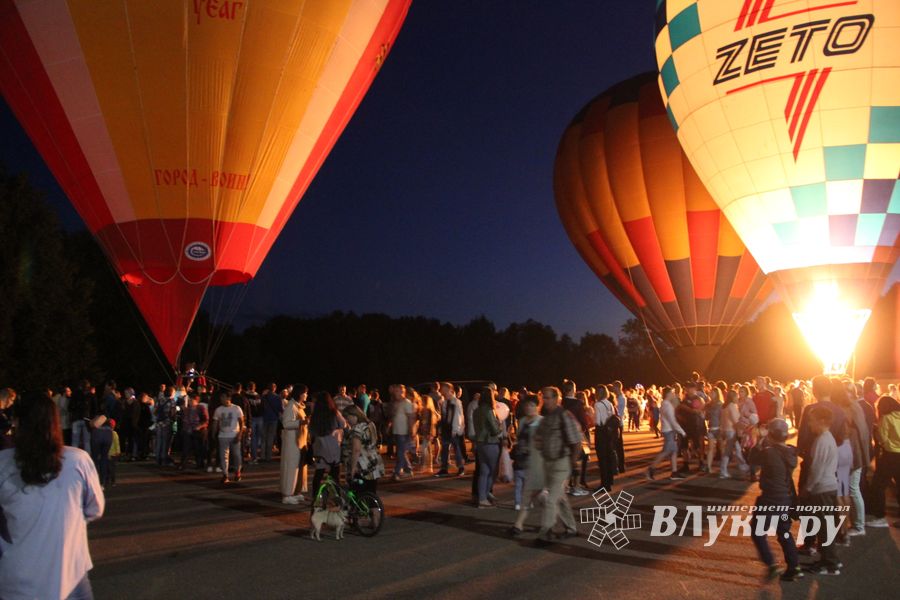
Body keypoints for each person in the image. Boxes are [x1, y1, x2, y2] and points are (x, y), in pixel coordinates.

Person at [0, 393, 105, 599]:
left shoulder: (2, 463)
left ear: (16, 422)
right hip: (70, 576)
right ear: (55, 423)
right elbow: (95, 509)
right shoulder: (78, 461)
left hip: (16, 579)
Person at [748, 419, 803, 582]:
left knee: (757, 532)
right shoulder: (791, 451)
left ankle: (771, 564)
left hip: (770, 499)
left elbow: (752, 459)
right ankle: (794, 567)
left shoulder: (769, 452)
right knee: (784, 532)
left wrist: (759, 440)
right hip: (785, 498)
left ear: (771, 434)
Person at [532, 386, 580, 545]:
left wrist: (571, 465)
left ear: (556, 398)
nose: (544, 401)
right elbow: (538, 439)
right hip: (548, 463)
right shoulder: (545, 418)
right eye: (543, 398)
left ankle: (545, 533)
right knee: (559, 497)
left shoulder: (565, 416)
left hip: (561, 463)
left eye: (547, 397)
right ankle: (571, 528)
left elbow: (576, 442)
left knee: (551, 499)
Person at [801, 405, 841, 575]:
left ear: (822, 421)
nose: (809, 424)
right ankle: (828, 560)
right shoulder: (827, 438)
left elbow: (817, 469)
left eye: (812, 420)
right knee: (826, 527)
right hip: (830, 486)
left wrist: (807, 488)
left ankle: (830, 564)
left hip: (822, 489)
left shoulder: (822, 440)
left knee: (824, 528)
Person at [865, 395, 900, 528]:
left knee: (878, 486)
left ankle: (880, 517)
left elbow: (882, 438)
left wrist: (876, 430)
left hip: (889, 456)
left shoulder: (886, 418)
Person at [342, 405, 384, 494]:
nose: (347, 420)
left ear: (354, 416)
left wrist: (353, 468)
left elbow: (356, 449)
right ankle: (375, 507)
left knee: (358, 493)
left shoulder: (357, 429)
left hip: (363, 464)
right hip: (374, 460)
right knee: (372, 492)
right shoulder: (370, 424)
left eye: (347, 417)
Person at [309, 391, 345, 495]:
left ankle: (315, 497)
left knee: (318, 473)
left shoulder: (315, 415)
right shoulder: (334, 412)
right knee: (335, 474)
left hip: (319, 446)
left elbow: (311, 431)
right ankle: (337, 497)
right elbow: (343, 424)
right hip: (332, 445)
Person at [647, 387, 686, 480]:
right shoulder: (667, 405)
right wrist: (682, 431)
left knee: (673, 451)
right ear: (668, 394)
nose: (674, 394)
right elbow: (672, 420)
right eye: (672, 392)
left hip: (668, 430)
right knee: (666, 451)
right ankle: (651, 469)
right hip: (669, 431)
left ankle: (674, 472)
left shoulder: (665, 404)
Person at [473, 386, 501, 508]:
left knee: (483, 472)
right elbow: (495, 430)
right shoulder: (489, 410)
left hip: (479, 443)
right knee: (493, 472)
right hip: (490, 442)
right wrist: (499, 426)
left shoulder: (476, 411)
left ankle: (482, 498)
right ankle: (486, 494)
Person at [280, 386, 308, 504]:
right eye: (305, 393)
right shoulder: (291, 406)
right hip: (292, 442)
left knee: (299, 468)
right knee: (291, 468)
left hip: (300, 442)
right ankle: (288, 494)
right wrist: (301, 422)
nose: (306, 395)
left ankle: (296, 491)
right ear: (300, 394)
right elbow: (286, 424)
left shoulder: (299, 406)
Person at [593, 384, 623, 492]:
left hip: (601, 432)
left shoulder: (597, 404)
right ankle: (609, 481)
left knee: (602, 459)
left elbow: (598, 421)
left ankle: (604, 484)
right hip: (610, 433)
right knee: (609, 456)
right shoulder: (609, 403)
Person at [213, 392, 245, 484]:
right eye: (221, 398)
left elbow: (242, 422)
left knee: (236, 455)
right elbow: (215, 422)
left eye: (223, 397)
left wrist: (240, 434)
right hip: (222, 435)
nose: (221, 399)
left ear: (228, 398)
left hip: (234, 434)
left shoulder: (236, 408)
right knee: (223, 456)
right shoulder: (218, 410)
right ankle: (225, 475)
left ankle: (237, 472)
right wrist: (213, 433)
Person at [435, 382, 465, 477]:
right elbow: (444, 416)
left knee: (456, 449)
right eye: (442, 390)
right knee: (444, 449)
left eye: (444, 390)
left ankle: (461, 467)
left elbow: (458, 417)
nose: (442, 392)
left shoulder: (456, 402)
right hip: (446, 429)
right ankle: (444, 468)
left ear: (450, 390)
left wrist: (455, 430)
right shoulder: (444, 402)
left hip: (453, 429)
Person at [388, 385, 416, 481]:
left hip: (404, 432)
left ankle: (397, 472)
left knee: (400, 452)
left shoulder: (407, 403)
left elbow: (411, 417)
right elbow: (394, 416)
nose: (395, 393)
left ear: (402, 392)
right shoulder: (397, 403)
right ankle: (408, 470)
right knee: (401, 452)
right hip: (397, 431)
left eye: (397, 391)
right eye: (395, 391)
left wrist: (411, 430)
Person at [720, 389, 747, 478]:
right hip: (731, 431)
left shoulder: (724, 406)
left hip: (726, 430)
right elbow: (736, 421)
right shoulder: (732, 406)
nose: (738, 397)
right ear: (733, 397)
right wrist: (746, 428)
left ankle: (743, 466)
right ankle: (723, 471)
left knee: (738, 449)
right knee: (727, 452)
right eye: (736, 396)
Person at [179, 392, 209, 470]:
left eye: (192, 400)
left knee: (198, 448)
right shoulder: (187, 409)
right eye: (189, 400)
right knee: (186, 448)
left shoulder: (201, 408)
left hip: (198, 431)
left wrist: (199, 426)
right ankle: (183, 464)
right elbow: (184, 419)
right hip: (188, 431)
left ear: (196, 400)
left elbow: (206, 420)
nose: (190, 401)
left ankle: (199, 464)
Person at [261, 383, 282, 462]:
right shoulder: (277, 397)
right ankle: (268, 457)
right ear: (275, 388)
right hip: (274, 419)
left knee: (263, 438)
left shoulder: (264, 397)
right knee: (270, 438)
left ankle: (262, 456)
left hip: (264, 418)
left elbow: (261, 406)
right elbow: (280, 409)